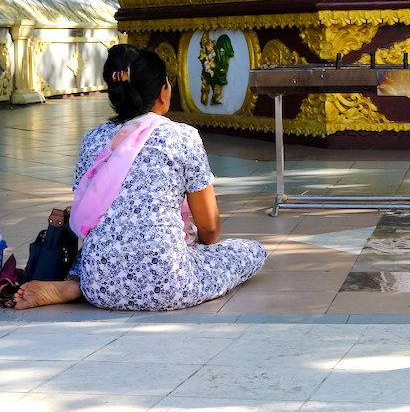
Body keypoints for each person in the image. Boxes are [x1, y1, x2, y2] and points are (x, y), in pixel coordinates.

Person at [14, 47, 267, 310]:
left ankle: (74, 284)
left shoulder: (93, 140)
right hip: (170, 285)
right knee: (252, 251)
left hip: (99, 285)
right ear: (162, 92)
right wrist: (196, 247)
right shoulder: (183, 137)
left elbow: (88, 214)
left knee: (100, 244)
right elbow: (210, 228)